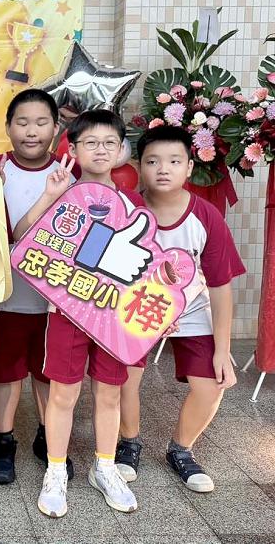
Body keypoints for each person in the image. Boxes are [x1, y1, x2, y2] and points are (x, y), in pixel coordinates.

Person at [14, 109, 144, 518]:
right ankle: (56, 470)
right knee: (63, 393)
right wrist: (49, 196)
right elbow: (20, 239)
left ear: (121, 150)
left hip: (114, 319)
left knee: (109, 393)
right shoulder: (63, 195)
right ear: (73, 148)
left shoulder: (133, 203)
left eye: (109, 143)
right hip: (66, 314)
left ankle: (105, 467)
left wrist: (161, 312)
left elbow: (150, 268)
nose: (100, 150)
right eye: (90, 143)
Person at [116, 125, 243, 492]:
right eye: (153, 161)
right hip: (135, 311)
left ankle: (181, 449)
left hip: (191, 313)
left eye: (174, 161)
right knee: (121, 378)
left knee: (212, 385)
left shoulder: (206, 216)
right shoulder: (127, 210)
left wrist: (222, 349)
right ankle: (129, 442)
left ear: (189, 167)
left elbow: (220, 287)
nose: (163, 169)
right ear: (139, 167)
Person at [0, 89, 74, 484]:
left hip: (55, 303)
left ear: (56, 128)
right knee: (3, 373)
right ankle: (3, 440)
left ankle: (47, 434)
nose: (31, 131)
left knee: (48, 373)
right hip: (5, 299)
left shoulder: (71, 174)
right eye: (22, 122)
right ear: (8, 127)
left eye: (40, 123)